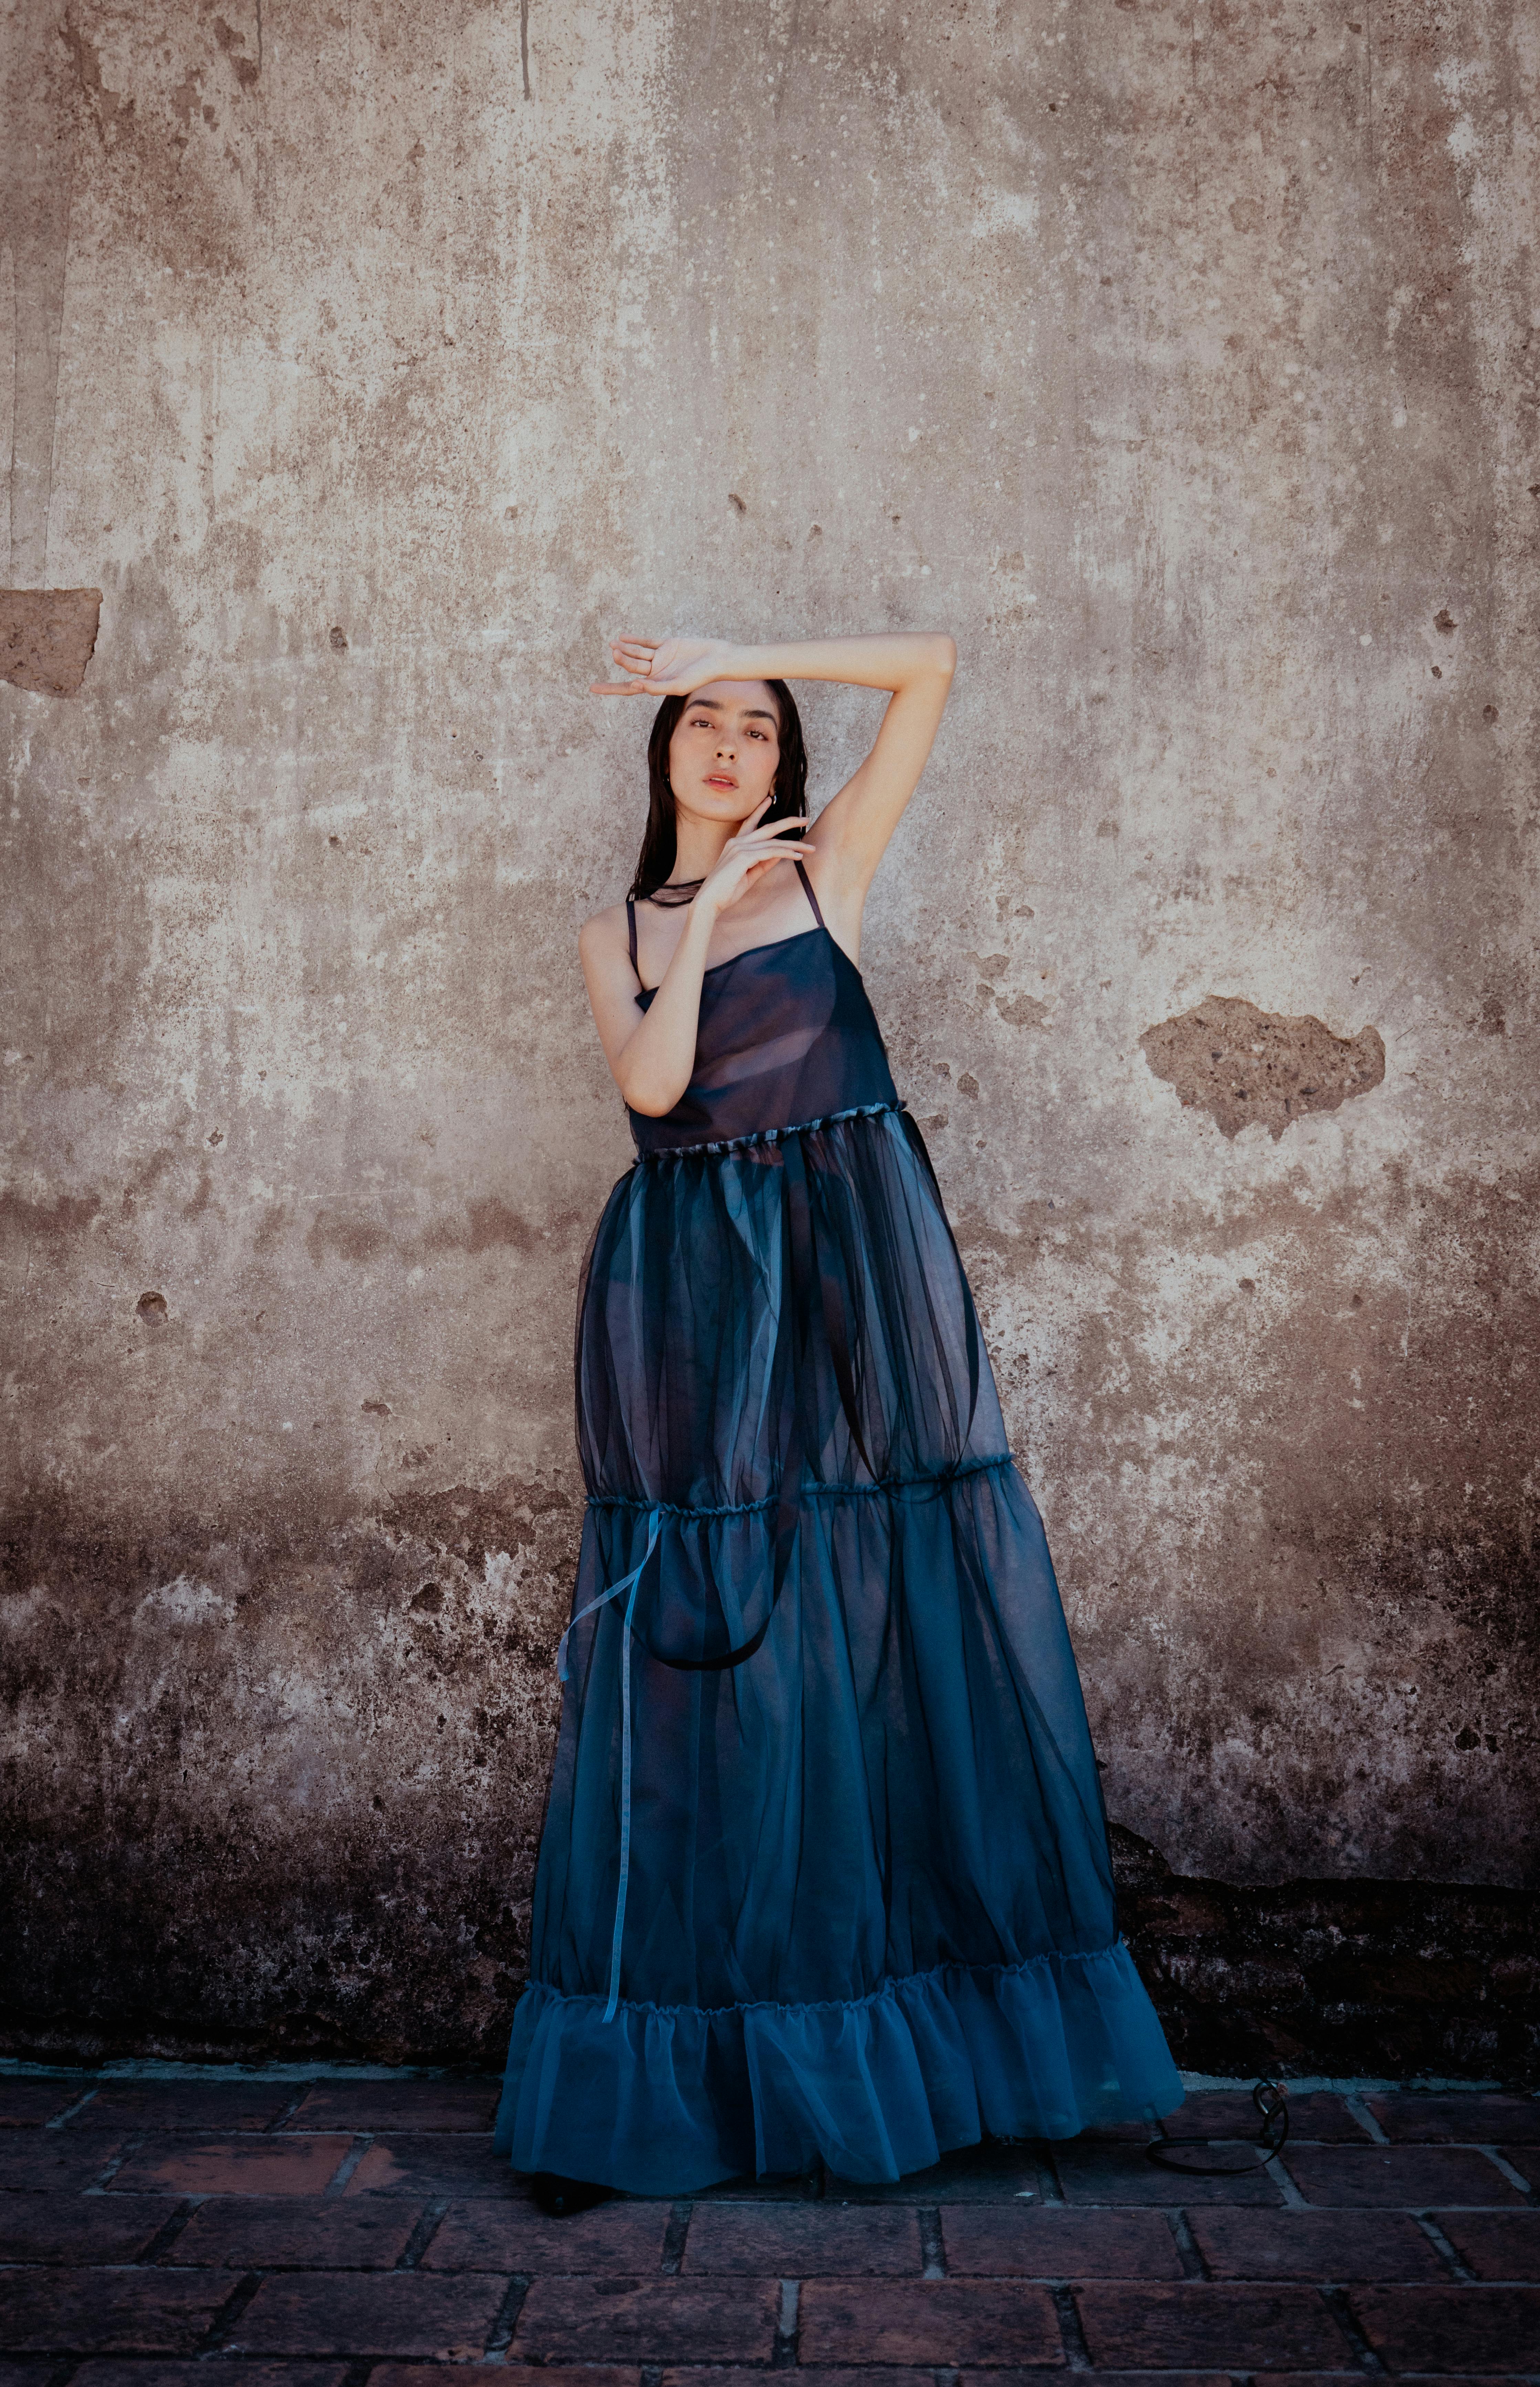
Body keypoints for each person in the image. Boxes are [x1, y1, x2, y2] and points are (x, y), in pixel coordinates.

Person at [493, 631, 1182, 2211]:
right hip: (687, 1297)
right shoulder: (620, 928)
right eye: (706, 723)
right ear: (664, 751)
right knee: (712, 1635)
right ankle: (690, 2067)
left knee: (885, 1613)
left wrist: (757, 650)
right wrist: (715, 890)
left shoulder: (831, 876)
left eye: (758, 729)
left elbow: (931, 670)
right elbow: (658, 1091)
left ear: (784, 758)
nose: (732, 745)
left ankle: (931, 2046)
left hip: (851, 1280)